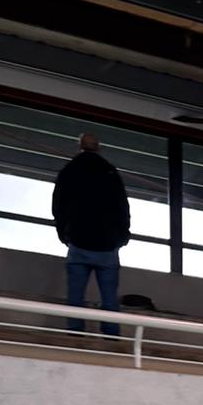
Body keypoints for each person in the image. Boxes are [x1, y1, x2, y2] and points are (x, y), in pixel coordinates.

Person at [51, 133, 130, 336]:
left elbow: (58, 205)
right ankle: (110, 335)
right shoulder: (110, 171)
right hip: (107, 244)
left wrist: (63, 233)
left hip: (78, 240)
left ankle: (75, 333)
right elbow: (122, 206)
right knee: (109, 297)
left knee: (75, 295)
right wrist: (122, 236)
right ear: (99, 147)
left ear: (79, 146)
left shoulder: (69, 171)